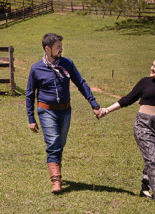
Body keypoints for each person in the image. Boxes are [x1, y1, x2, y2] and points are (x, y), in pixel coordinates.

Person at [98, 54, 155, 211]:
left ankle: (145, 186)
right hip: (144, 125)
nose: (152, 68)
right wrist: (107, 110)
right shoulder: (145, 82)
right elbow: (128, 99)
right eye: (152, 65)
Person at [26, 33, 102, 194]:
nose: (61, 49)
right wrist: (31, 118)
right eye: (58, 47)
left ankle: (56, 169)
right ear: (48, 49)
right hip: (46, 110)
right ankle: (56, 181)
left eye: (61, 46)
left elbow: (81, 83)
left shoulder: (67, 64)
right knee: (53, 143)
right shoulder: (36, 68)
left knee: (60, 144)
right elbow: (30, 94)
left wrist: (93, 103)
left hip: (65, 110)